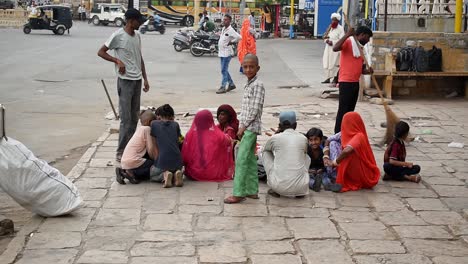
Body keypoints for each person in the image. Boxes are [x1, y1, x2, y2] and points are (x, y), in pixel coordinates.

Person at [98, 9, 149, 162]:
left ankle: (131, 149)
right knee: (126, 120)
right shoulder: (118, 36)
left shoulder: (137, 36)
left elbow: (140, 58)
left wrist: (145, 79)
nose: (140, 23)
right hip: (125, 81)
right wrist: (117, 61)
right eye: (138, 20)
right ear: (130, 21)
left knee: (134, 119)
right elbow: (101, 52)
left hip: (137, 80)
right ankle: (120, 152)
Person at [224, 54, 265, 204]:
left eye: (251, 66)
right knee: (250, 160)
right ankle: (252, 190)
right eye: (245, 66)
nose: (248, 69)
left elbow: (254, 110)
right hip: (247, 127)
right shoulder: (249, 84)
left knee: (241, 160)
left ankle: (239, 193)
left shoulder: (258, 85)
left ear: (257, 68)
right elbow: (246, 108)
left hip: (250, 128)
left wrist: (243, 127)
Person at [325, 112, 380, 192]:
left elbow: (347, 151)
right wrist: (325, 156)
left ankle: (336, 175)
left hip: (360, 171)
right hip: (351, 167)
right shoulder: (344, 133)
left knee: (347, 155)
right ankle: (333, 173)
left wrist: (335, 162)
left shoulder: (359, 136)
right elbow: (328, 140)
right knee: (333, 143)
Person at [332, 26, 373, 133]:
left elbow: (361, 69)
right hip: (346, 83)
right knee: (343, 111)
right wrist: (347, 34)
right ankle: (337, 133)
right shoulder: (349, 42)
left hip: (355, 83)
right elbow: (335, 48)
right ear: (362, 35)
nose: (368, 41)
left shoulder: (361, 49)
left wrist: (368, 71)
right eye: (367, 38)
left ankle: (346, 131)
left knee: (350, 111)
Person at [263, 111, 310, 198]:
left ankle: (274, 185)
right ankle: (300, 189)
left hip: (279, 188)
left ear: (280, 126)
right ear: (295, 125)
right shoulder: (303, 138)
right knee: (306, 157)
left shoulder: (275, 138)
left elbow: (266, 149)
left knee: (265, 152)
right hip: (301, 188)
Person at [182, 110, 234, 182]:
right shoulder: (217, 135)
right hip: (212, 172)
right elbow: (229, 142)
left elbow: (185, 155)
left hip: (193, 173)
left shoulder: (190, 135)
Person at [116, 110, 158, 184]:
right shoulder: (147, 129)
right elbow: (150, 149)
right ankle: (132, 173)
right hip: (133, 160)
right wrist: (156, 159)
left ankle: (124, 171)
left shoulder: (140, 129)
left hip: (126, 161)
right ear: (150, 121)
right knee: (154, 168)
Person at [150, 104, 184, 188]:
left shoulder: (154, 124)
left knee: (152, 174)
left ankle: (165, 176)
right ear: (172, 116)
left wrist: (156, 159)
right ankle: (176, 175)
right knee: (176, 169)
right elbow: (179, 140)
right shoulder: (176, 124)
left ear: (159, 116)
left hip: (163, 162)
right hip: (178, 162)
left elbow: (153, 145)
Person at [216, 14, 242, 94]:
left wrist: (231, 42)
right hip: (221, 52)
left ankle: (223, 87)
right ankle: (231, 84)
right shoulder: (224, 28)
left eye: (226, 20)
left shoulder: (231, 30)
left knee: (223, 70)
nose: (224, 21)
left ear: (230, 21)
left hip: (227, 53)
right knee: (224, 70)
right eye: (224, 19)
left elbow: (239, 37)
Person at [322, 13, 345, 84]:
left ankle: (335, 79)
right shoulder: (330, 27)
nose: (333, 22)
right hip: (328, 48)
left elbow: (342, 40)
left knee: (335, 64)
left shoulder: (341, 29)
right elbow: (325, 36)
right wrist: (327, 41)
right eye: (332, 20)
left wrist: (333, 42)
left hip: (335, 49)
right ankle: (328, 78)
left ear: (338, 21)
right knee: (327, 62)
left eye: (335, 20)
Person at [306, 128, 326, 192]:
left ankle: (328, 185)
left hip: (320, 172)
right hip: (309, 171)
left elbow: (325, 164)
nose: (313, 142)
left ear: (321, 140)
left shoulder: (324, 150)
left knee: (325, 177)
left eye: (316, 139)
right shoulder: (306, 150)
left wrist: (322, 169)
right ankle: (314, 185)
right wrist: (308, 170)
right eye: (311, 140)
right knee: (307, 179)